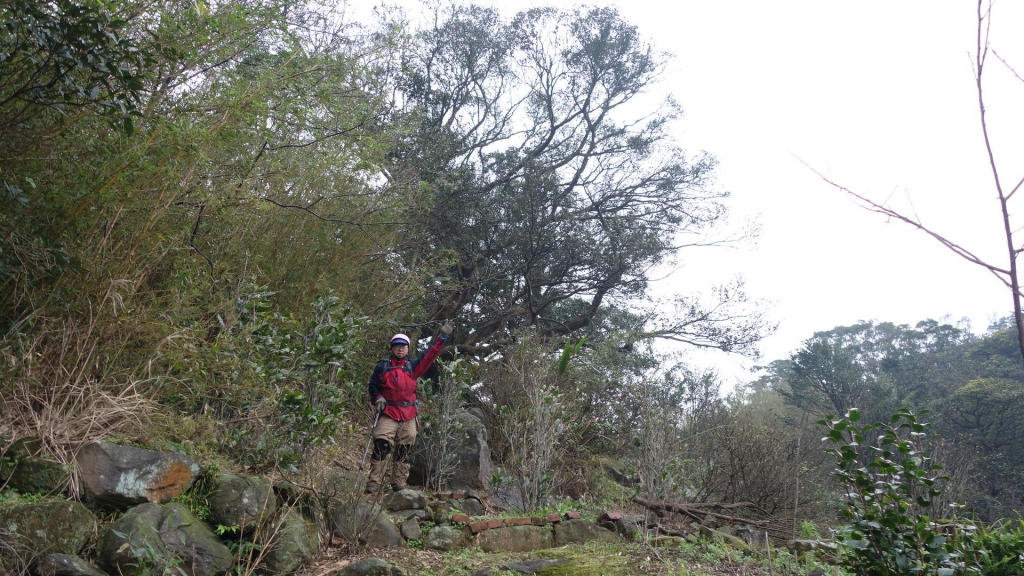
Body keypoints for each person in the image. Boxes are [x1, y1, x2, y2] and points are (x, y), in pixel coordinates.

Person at [364, 320, 454, 493]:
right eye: (397, 346)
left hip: (408, 413)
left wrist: (441, 338)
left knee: (405, 448)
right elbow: (373, 386)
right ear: (391, 348)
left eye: (403, 346)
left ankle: (398, 483)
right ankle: (374, 482)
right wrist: (378, 398)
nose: (400, 349)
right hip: (388, 411)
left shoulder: (412, 367)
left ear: (408, 349)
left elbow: (429, 355)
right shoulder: (382, 366)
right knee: (382, 443)